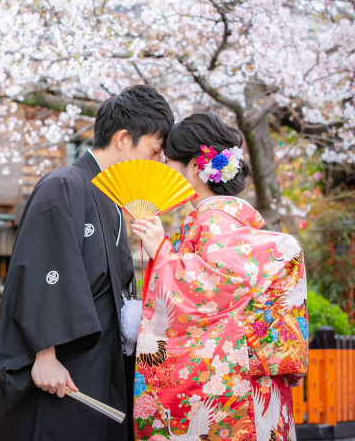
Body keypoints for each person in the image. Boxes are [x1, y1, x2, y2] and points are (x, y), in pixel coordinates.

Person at [0, 85, 174, 441]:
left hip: (99, 365)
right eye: (154, 151)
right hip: (61, 366)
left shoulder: (112, 202)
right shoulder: (63, 184)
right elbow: (40, 270)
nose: (157, 163)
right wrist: (44, 352)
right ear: (124, 138)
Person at [130, 114, 308, 441]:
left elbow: (207, 291)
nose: (163, 170)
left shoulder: (215, 223)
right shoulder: (233, 223)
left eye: (167, 162)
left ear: (196, 167)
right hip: (255, 382)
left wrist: (163, 254)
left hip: (232, 392)